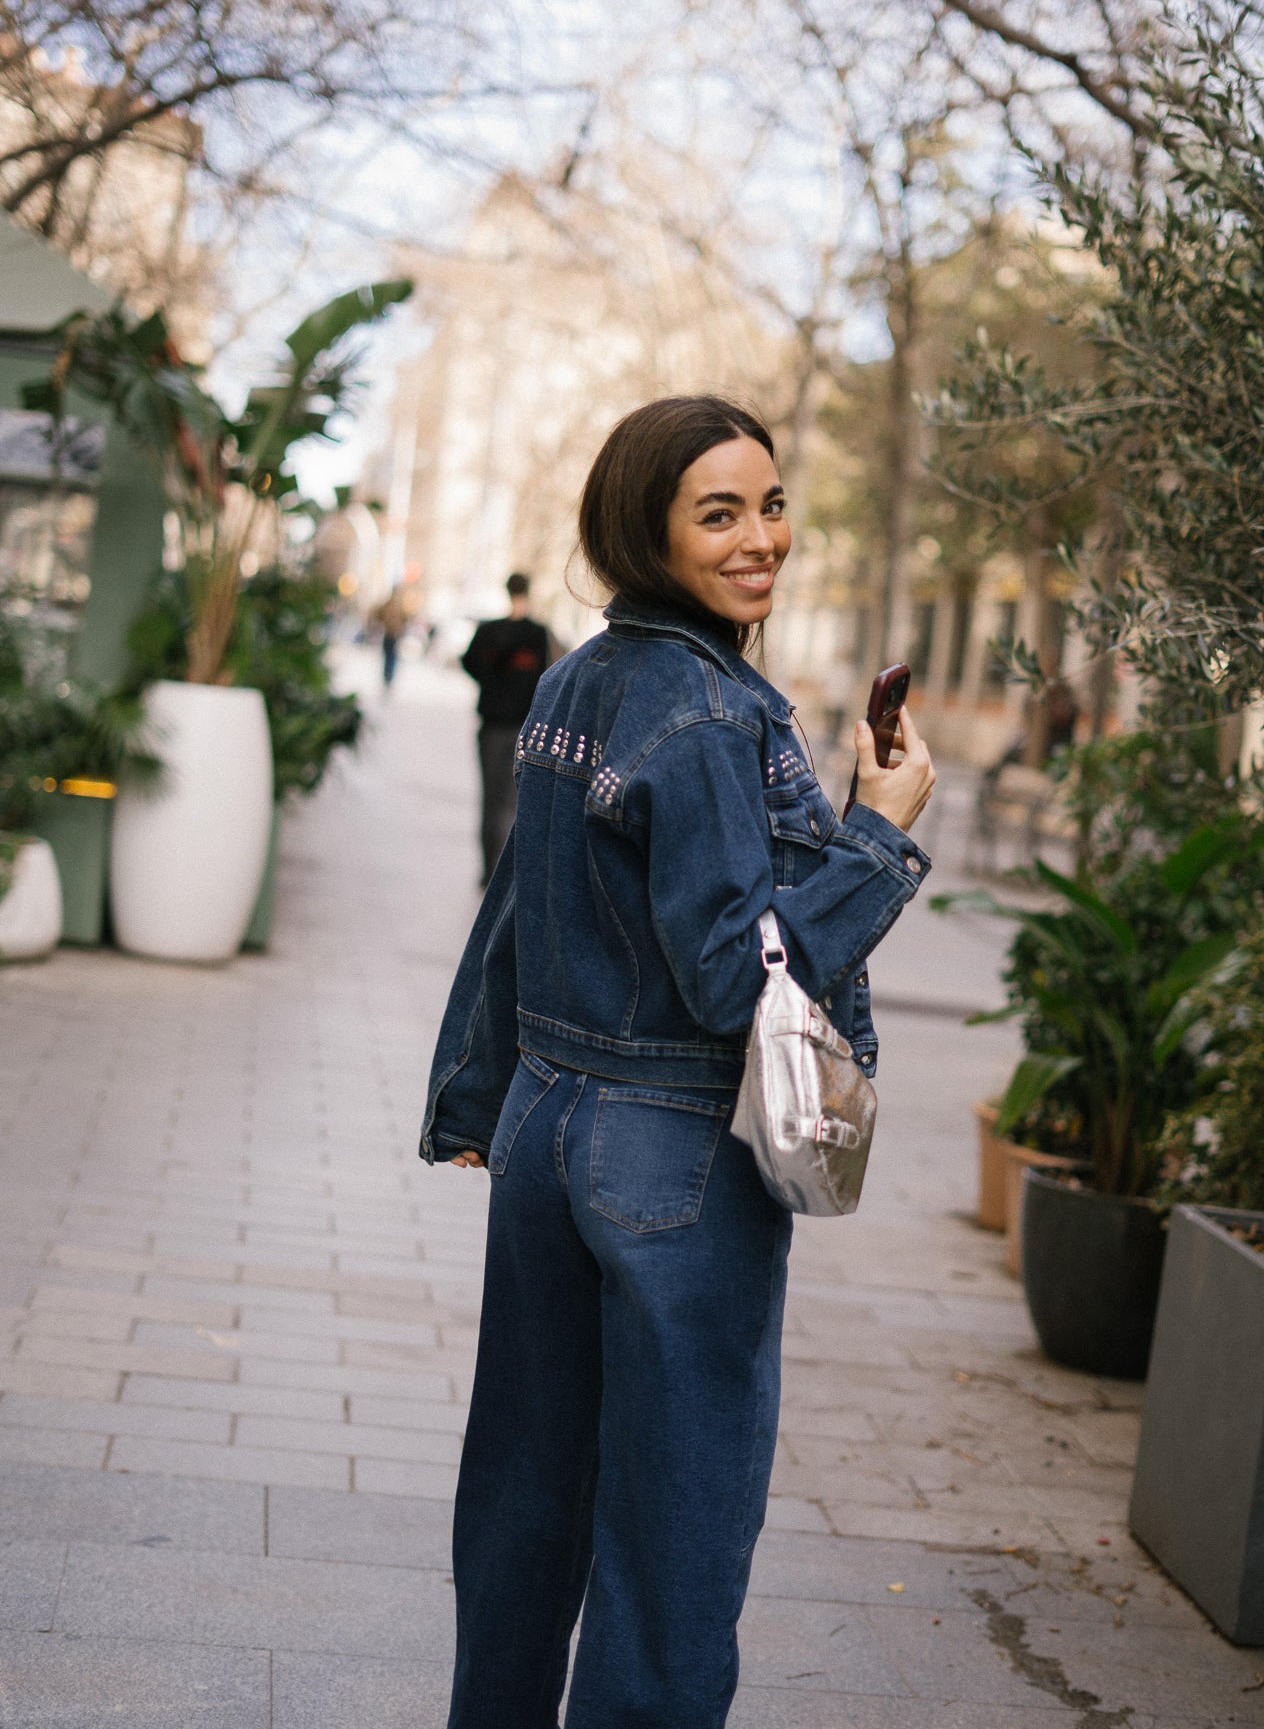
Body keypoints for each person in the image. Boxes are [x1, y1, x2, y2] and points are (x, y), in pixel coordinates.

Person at [420, 395, 936, 1729]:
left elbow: (516, 900)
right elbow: (733, 973)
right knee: (674, 1530)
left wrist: (479, 1096)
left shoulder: (579, 681)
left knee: (527, 1494)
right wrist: (880, 833)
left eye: (769, 504)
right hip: (671, 1145)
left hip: (547, 1125)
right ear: (646, 529)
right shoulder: (708, 711)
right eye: (719, 512)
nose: (760, 537)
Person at [461, 572, 553, 885]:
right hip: (523, 726)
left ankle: (490, 871)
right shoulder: (537, 634)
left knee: (490, 799)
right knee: (514, 801)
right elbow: (547, 676)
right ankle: (507, 875)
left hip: (492, 724)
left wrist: (492, 684)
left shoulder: (489, 631)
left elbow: (469, 662)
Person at [374, 586, 407, 689]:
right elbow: (405, 619)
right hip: (392, 633)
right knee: (391, 656)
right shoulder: (400, 606)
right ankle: (388, 675)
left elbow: (379, 614)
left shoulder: (389, 604)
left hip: (390, 633)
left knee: (389, 656)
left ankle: (387, 675)